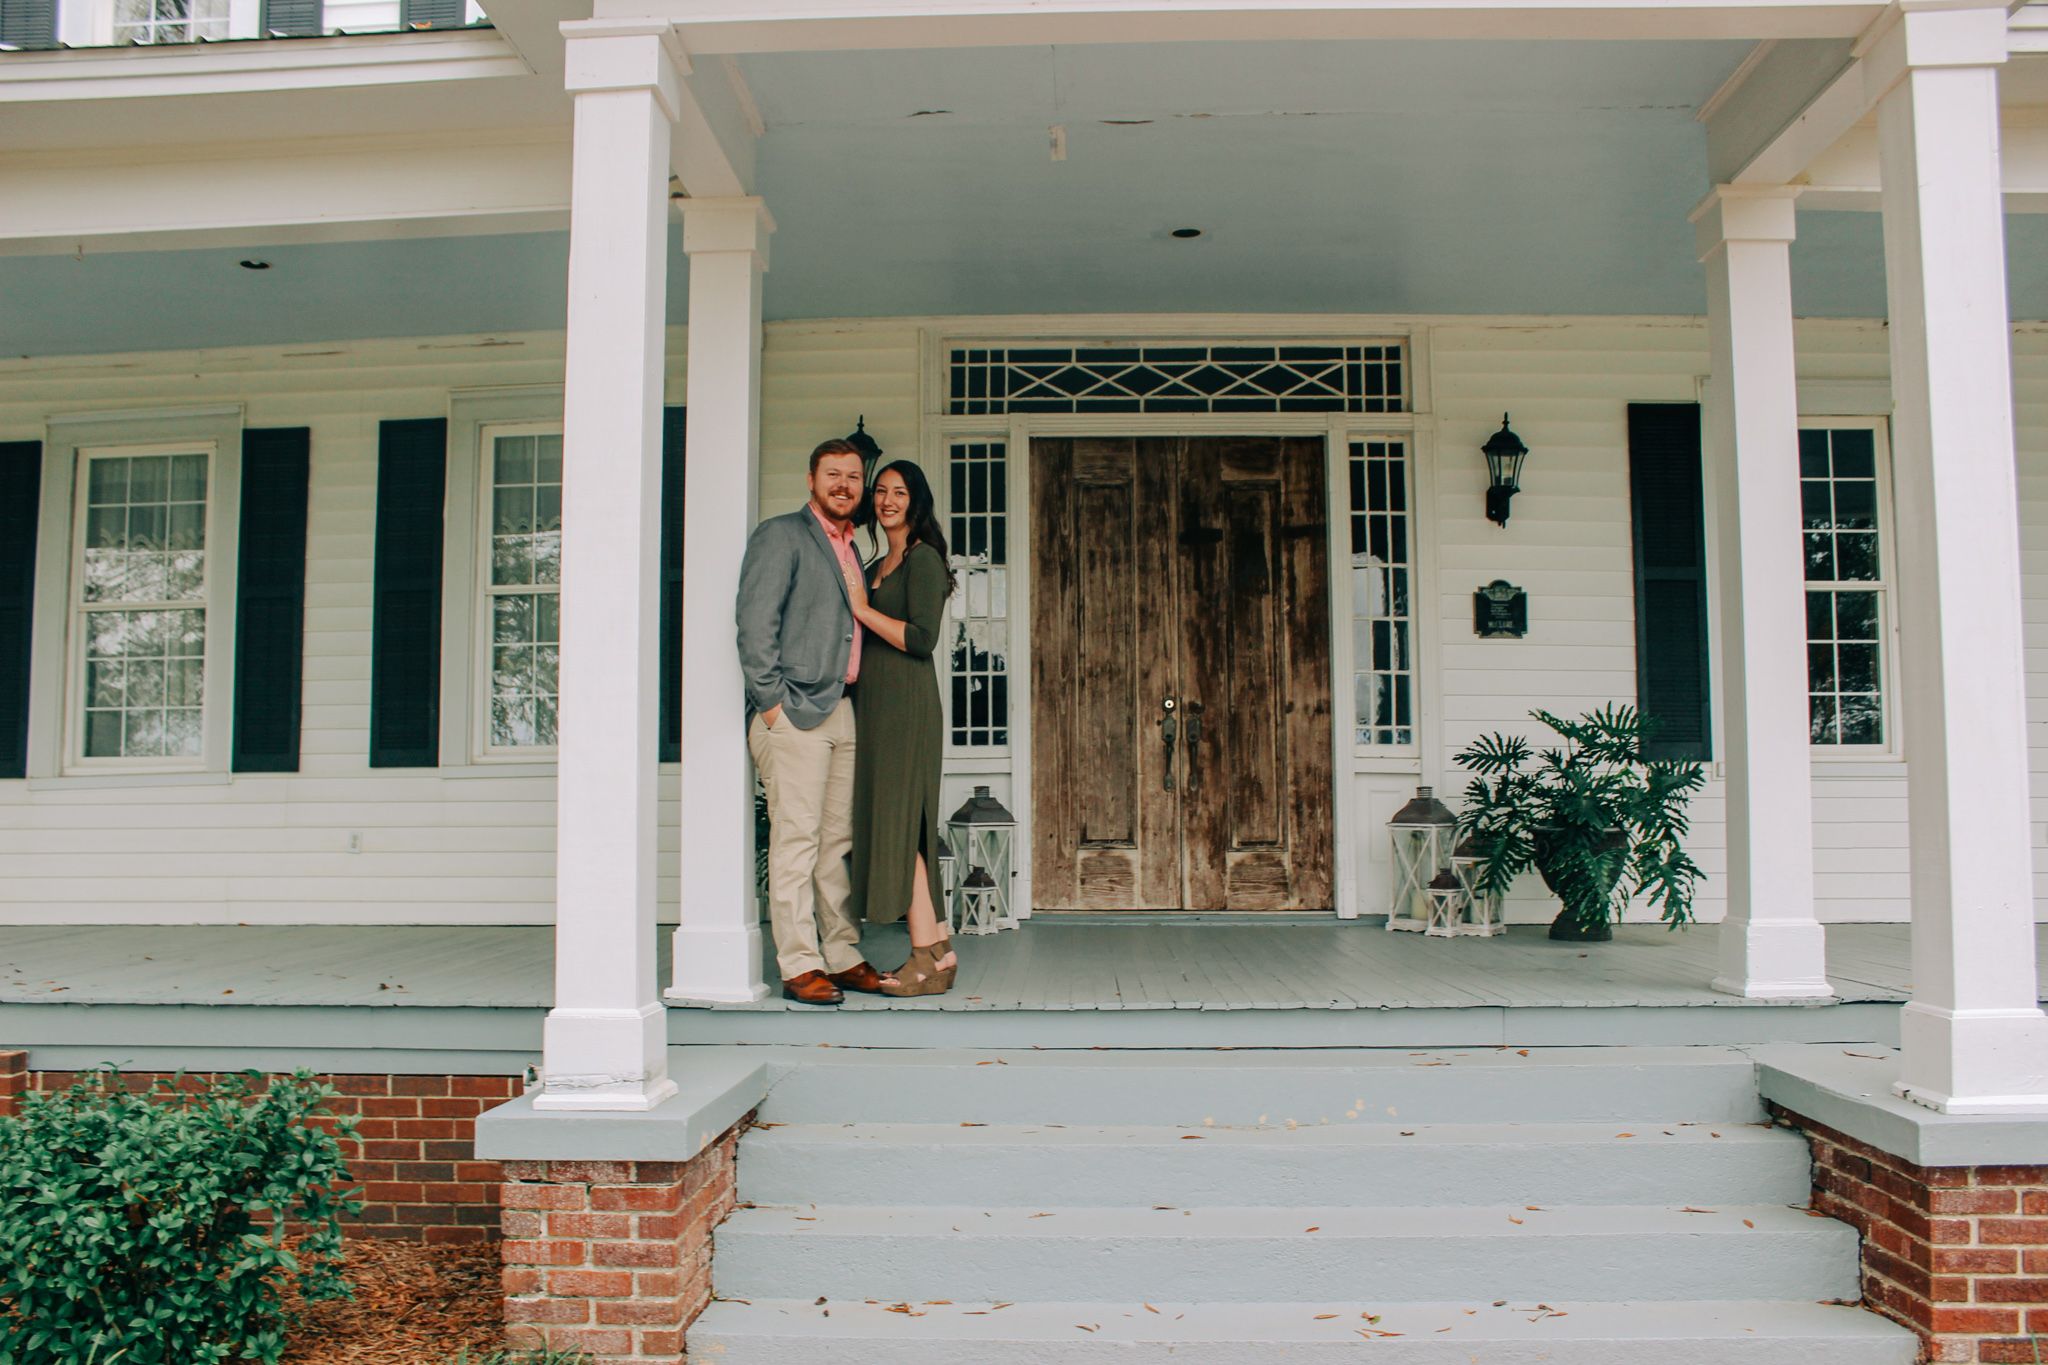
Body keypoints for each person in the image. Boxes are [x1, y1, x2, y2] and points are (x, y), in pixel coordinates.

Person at [734, 437, 893, 1006]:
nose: (844, 485)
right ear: (811, 480)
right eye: (833, 475)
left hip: (841, 709)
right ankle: (800, 963)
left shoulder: (852, 545)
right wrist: (771, 703)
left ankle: (843, 953)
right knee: (797, 841)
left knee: (836, 843)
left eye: (853, 476)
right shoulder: (781, 535)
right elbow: (755, 626)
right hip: (795, 711)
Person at [846, 460, 958, 995]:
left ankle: (922, 954)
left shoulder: (924, 560)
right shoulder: (877, 561)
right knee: (898, 826)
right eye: (882, 491)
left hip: (907, 710)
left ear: (916, 501)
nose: (889, 500)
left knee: (904, 827)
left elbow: (921, 639)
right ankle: (939, 952)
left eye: (900, 492)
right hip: (875, 708)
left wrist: (862, 611)